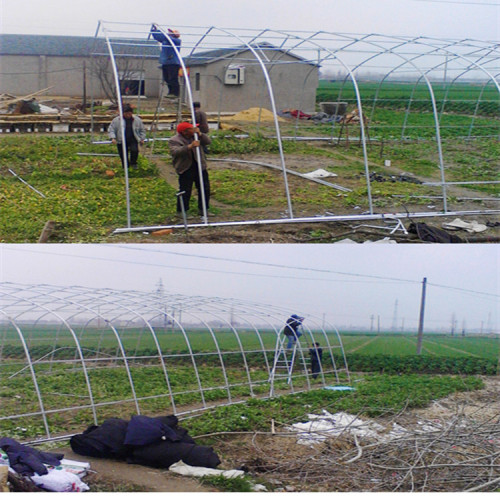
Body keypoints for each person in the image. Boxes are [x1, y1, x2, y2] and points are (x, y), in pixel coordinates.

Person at [168, 122, 211, 216]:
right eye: (191, 128)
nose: (194, 130)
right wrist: (190, 146)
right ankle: (181, 211)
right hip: (186, 168)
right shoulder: (174, 140)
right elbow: (175, 151)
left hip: (200, 166)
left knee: (205, 188)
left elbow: (208, 141)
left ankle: (203, 209)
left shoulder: (196, 136)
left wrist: (200, 134)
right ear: (185, 132)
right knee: (185, 190)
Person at [108, 104, 146, 168]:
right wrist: (113, 138)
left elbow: (142, 130)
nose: (128, 115)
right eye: (126, 113)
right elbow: (111, 129)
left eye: (129, 113)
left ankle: (133, 163)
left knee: (135, 150)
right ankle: (125, 166)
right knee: (123, 154)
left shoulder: (137, 120)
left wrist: (142, 138)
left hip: (133, 138)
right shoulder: (117, 120)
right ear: (123, 113)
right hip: (121, 139)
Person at [151, 24, 182, 98]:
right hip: (166, 62)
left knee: (173, 78)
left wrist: (159, 31)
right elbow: (158, 37)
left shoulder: (176, 41)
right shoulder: (166, 40)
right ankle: (170, 92)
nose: (169, 34)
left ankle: (175, 93)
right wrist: (154, 31)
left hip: (173, 63)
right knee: (167, 78)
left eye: (171, 33)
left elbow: (165, 37)